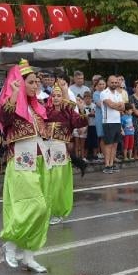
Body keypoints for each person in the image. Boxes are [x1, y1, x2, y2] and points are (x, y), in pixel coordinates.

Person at [0, 60, 50, 273]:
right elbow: (2, 117)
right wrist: (15, 93)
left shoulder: (37, 108)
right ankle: (10, 244)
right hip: (20, 162)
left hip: (40, 161)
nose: (36, 85)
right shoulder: (12, 104)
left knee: (43, 211)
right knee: (33, 206)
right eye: (32, 82)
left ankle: (29, 255)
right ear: (19, 82)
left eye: (37, 82)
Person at [45, 81, 88, 225]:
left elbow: (81, 123)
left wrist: (82, 109)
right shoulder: (45, 110)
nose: (56, 98)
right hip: (46, 150)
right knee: (47, 182)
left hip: (60, 152)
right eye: (54, 95)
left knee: (58, 183)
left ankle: (58, 212)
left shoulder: (68, 111)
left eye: (59, 95)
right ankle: (47, 211)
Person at [100, 75, 125, 173]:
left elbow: (123, 108)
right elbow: (110, 104)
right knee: (108, 144)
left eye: (116, 82)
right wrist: (117, 105)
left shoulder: (118, 94)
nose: (114, 84)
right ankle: (106, 165)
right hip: (108, 122)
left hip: (117, 122)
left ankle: (111, 164)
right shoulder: (104, 93)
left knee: (115, 144)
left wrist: (116, 105)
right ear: (108, 82)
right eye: (112, 82)